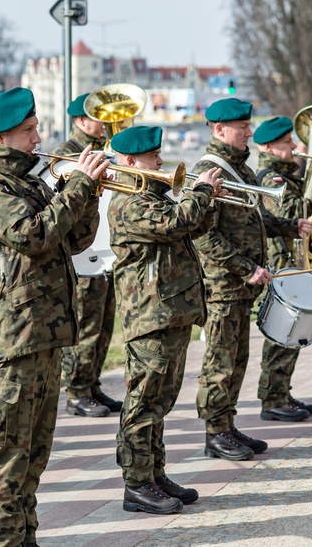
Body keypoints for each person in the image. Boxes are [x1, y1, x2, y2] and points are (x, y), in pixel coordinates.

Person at [0, 87, 109, 546]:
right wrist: (77, 185)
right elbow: (33, 234)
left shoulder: (30, 182)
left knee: (34, 457)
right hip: (9, 342)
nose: (38, 137)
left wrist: (90, 193)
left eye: (36, 128)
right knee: (7, 459)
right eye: (28, 131)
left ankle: (25, 537)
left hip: (42, 336)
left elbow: (73, 240)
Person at [108, 126, 223, 515]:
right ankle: (136, 484)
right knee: (143, 403)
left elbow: (187, 228)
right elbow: (175, 223)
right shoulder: (129, 202)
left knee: (160, 402)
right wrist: (201, 193)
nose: (160, 162)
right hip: (149, 317)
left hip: (170, 312)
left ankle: (154, 474)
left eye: (158, 155)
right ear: (128, 162)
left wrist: (207, 202)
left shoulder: (153, 197)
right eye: (152, 157)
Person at [192, 98, 311, 461]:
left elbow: (253, 220)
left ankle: (227, 425)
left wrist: (291, 226)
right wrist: (247, 268)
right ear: (218, 130)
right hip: (222, 285)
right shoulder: (211, 170)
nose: (248, 131)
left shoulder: (239, 169)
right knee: (220, 362)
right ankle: (214, 431)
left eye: (247, 125)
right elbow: (203, 235)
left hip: (241, 285)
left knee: (237, 359)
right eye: (242, 127)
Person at [254, 116, 312, 422]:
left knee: (292, 332)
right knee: (283, 330)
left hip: (292, 257)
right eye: (286, 142)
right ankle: (272, 398)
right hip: (282, 260)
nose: (294, 146)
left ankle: (281, 392)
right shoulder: (271, 178)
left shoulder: (286, 175)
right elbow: (289, 211)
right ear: (267, 146)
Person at [54, 93, 122, 417]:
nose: (107, 121)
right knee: (87, 324)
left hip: (103, 248)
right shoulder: (67, 157)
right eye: (99, 116)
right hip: (83, 254)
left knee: (105, 323)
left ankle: (92, 384)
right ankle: (78, 390)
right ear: (80, 121)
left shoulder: (105, 152)